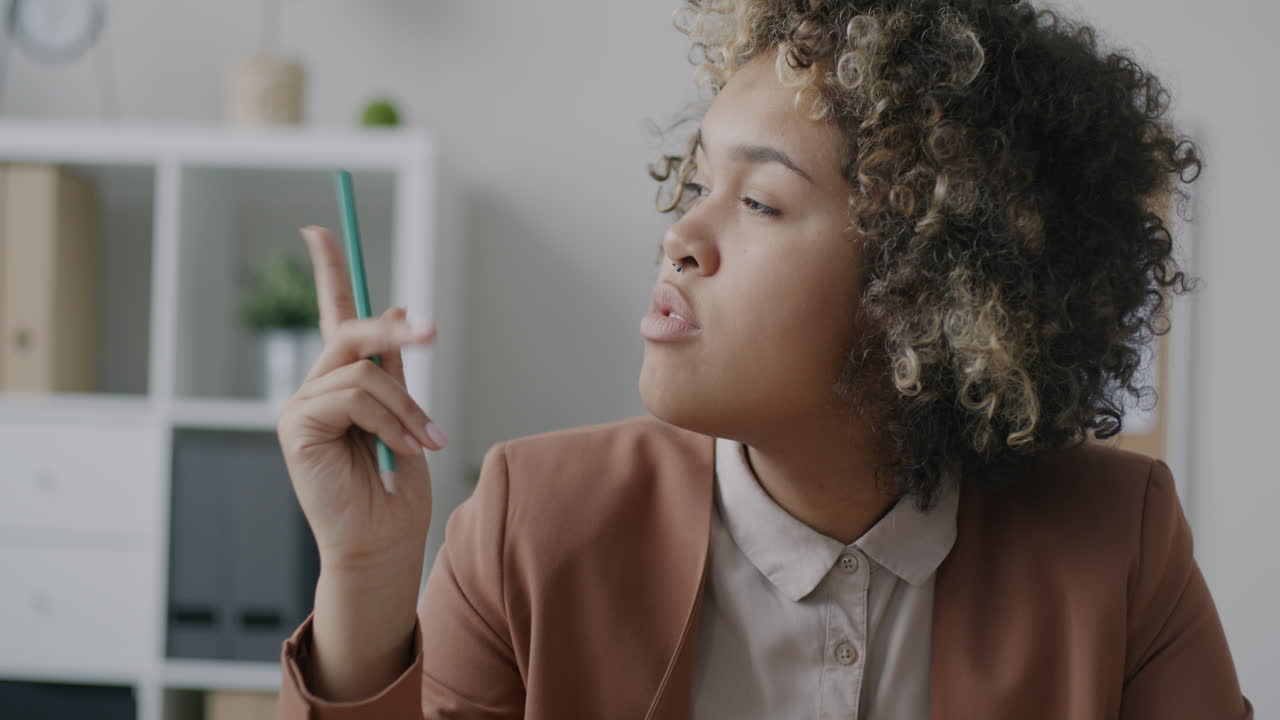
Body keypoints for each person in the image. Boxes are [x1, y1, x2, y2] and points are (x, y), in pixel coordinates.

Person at [275, 0, 1254, 717]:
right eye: (695, 182)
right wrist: (362, 580)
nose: (680, 237)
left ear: (932, 284)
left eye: (757, 203)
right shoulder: (530, 521)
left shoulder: (1115, 546)